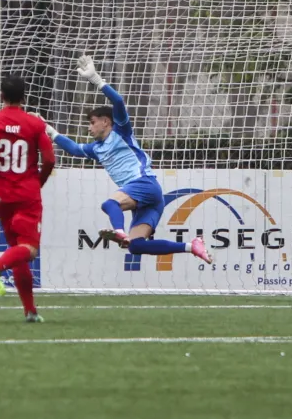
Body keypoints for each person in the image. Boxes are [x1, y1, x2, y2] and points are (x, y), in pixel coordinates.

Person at [44, 55, 213, 264]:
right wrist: (49, 131)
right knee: (136, 246)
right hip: (149, 200)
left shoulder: (121, 131)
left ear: (106, 122)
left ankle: (119, 231)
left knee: (109, 204)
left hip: (144, 184)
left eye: (92, 122)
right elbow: (74, 149)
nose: (89, 127)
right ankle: (192, 246)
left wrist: (96, 79)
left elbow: (118, 101)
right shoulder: (96, 148)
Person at [0, 75, 56, 322]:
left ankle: (30, 311)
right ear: (24, 97)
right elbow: (50, 159)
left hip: (1, 196)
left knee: (18, 249)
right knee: (29, 250)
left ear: (1, 96)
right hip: (27, 195)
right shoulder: (34, 123)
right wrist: (37, 183)